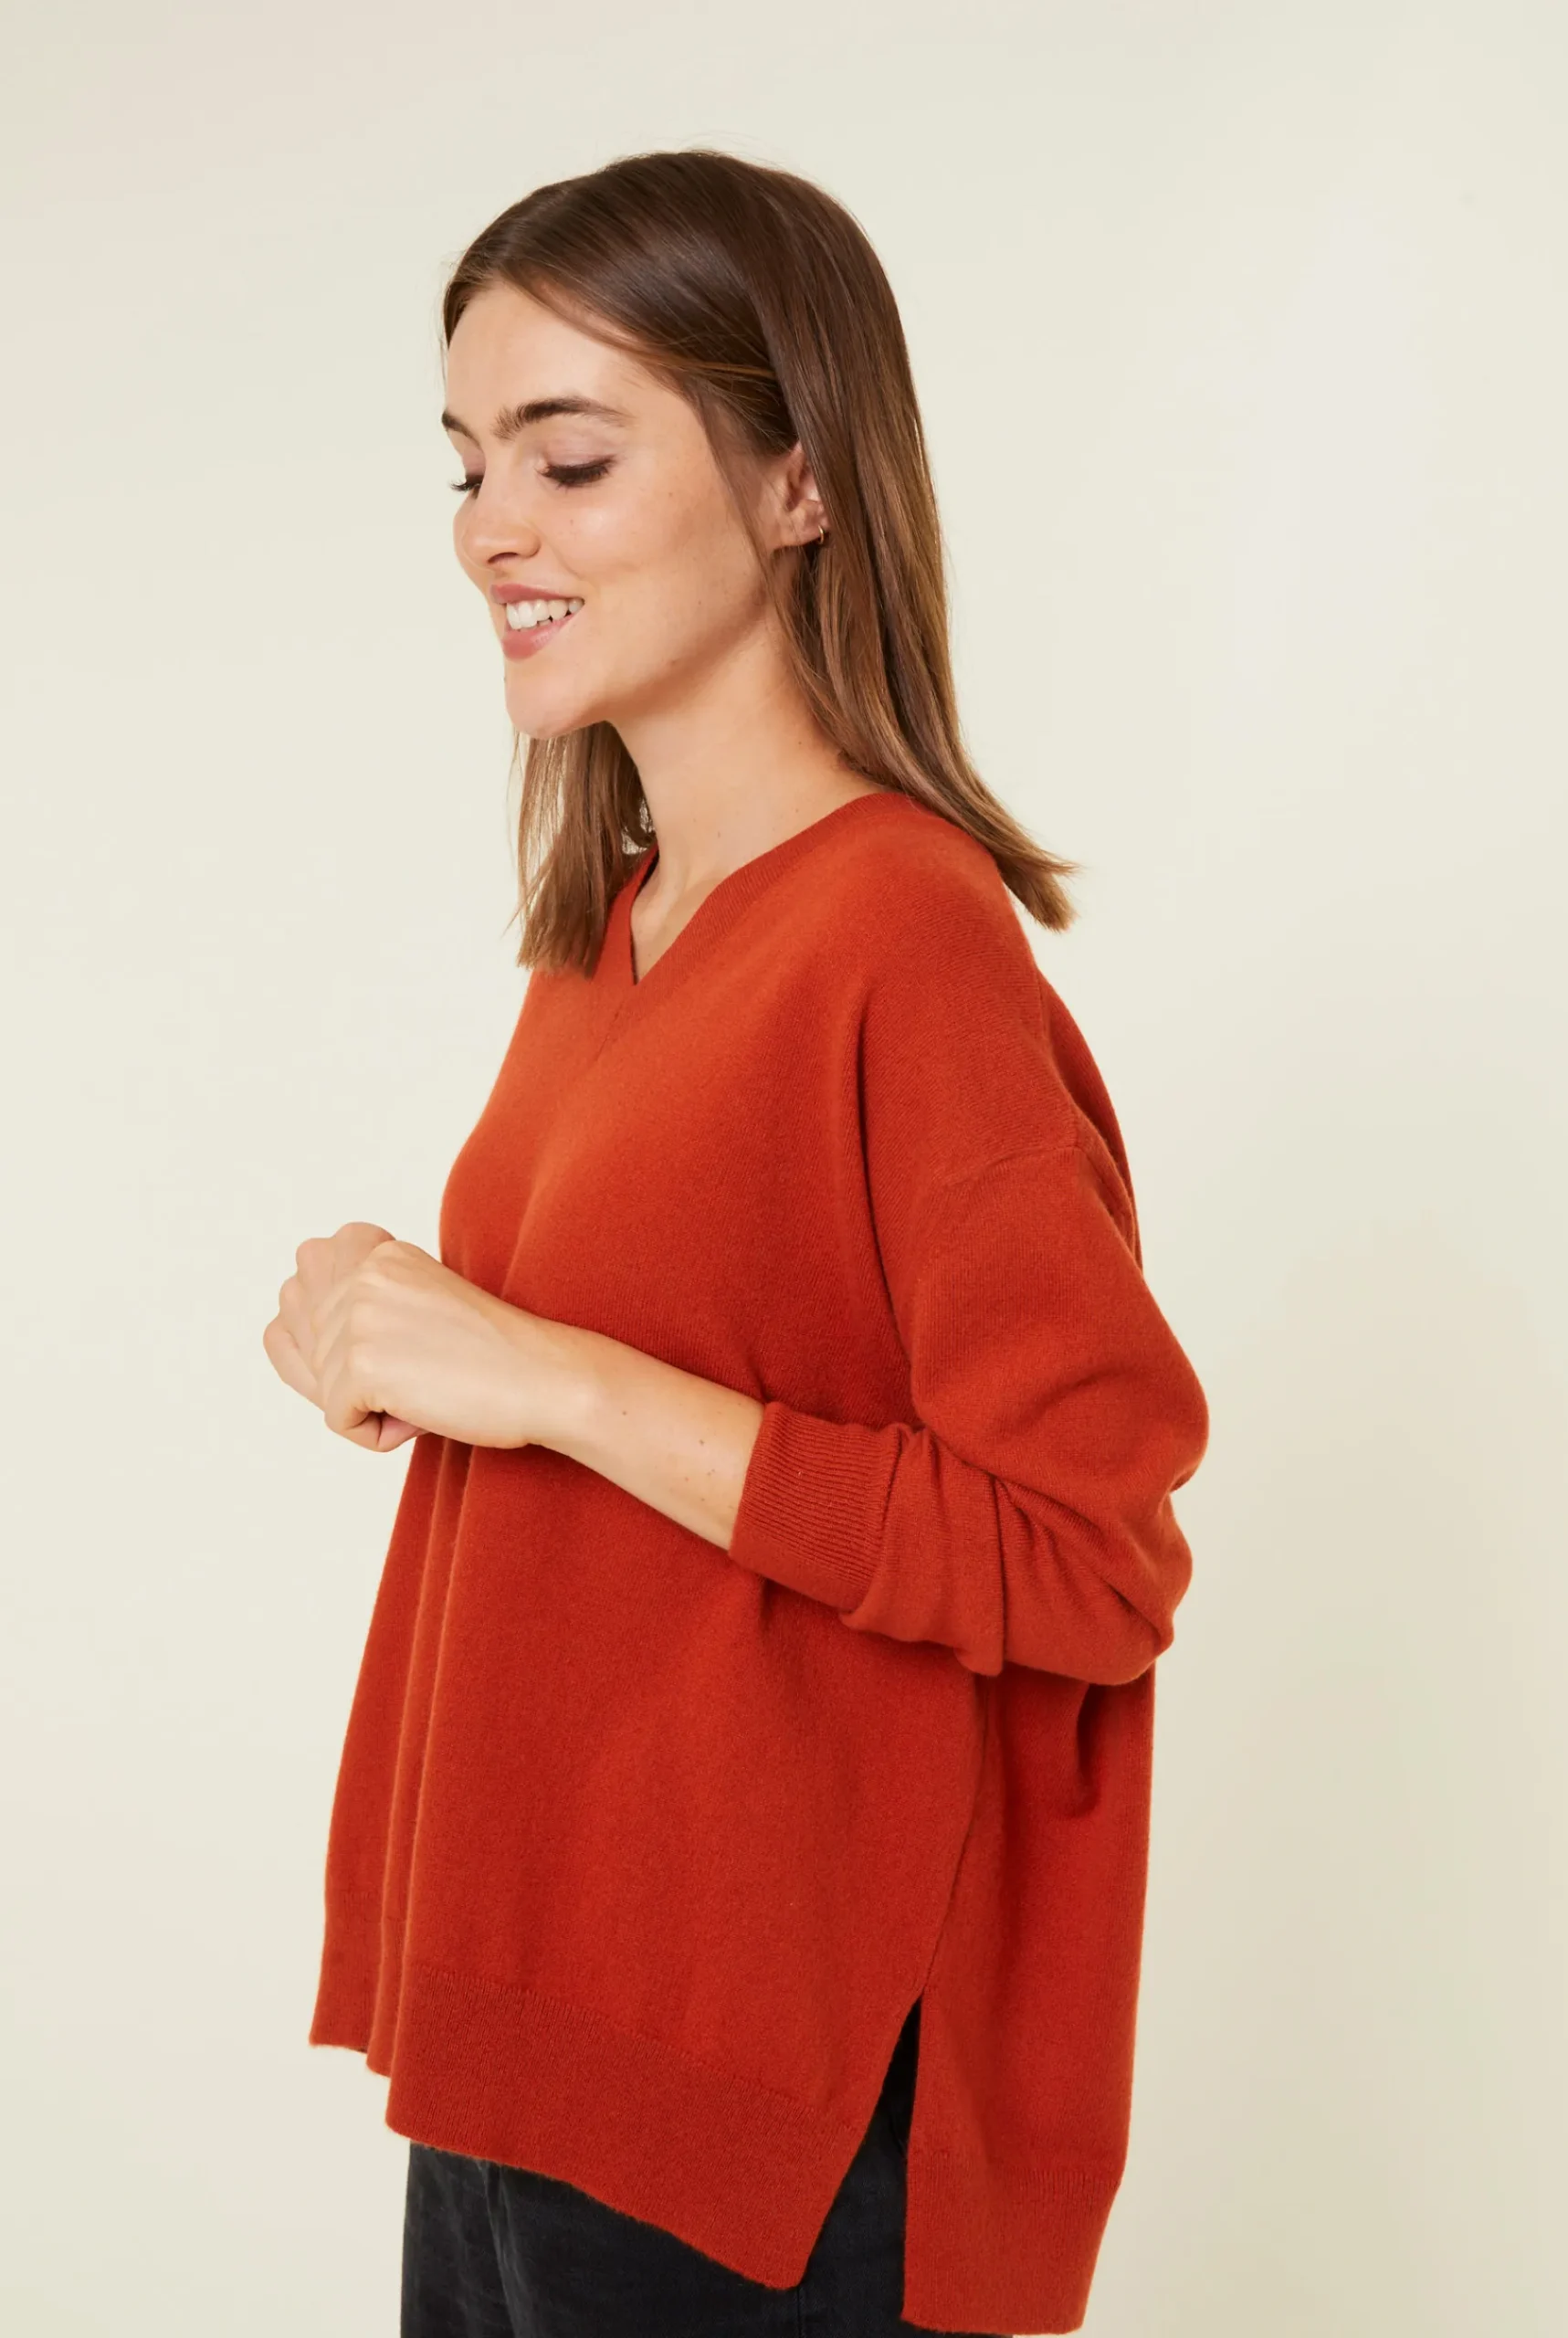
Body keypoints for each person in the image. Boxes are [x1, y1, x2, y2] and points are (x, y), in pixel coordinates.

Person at [263, 147, 1210, 2338]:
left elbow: (1086, 1553)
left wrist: (550, 1377)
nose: (491, 528)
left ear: (800, 480)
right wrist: (409, 1336)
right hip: (525, 2030)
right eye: (470, 464)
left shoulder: (900, 937)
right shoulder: (611, 925)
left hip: (755, 2099)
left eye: (571, 458)